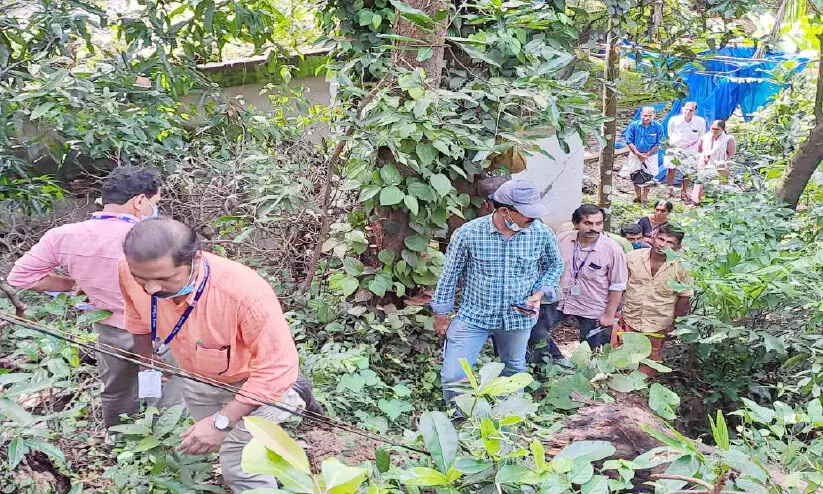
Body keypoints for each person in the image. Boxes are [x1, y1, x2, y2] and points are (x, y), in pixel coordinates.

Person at [118, 218, 312, 492]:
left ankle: (288, 398)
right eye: (142, 280)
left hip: (254, 384)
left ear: (195, 259)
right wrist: (147, 359)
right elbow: (137, 315)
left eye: (163, 279)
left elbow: (276, 368)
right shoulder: (129, 270)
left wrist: (222, 422)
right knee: (209, 437)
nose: (151, 289)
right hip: (198, 377)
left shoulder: (244, 295)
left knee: (241, 467)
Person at [6, 166, 182, 428]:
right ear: (140, 201)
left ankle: (120, 443)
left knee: (117, 391)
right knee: (167, 391)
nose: (155, 209)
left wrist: (72, 284)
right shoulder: (159, 238)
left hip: (108, 329)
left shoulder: (64, 236)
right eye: (155, 202)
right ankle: (164, 447)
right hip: (162, 328)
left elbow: (20, 278)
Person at [430, 180, 563, 406]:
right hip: (474, 316)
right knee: (454, 375)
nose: (532, 222)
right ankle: (461, 422)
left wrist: (541, 291)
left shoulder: (541, 234)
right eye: (528, 217)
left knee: (513, 369)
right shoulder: (469, 233)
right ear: (504, 211)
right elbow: (450, 274)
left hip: (519, 316)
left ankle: (504, 422)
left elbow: (554, 265)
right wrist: (441, 313)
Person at [612, 224, 693, 376]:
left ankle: (641, 387)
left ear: (678, 247)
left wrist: (675, 324)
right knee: (625, 353)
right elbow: (619, 287)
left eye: (670, 242)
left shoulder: (682, 266)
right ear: (653, 237)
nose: (663, 244)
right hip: (630, 316)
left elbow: (684, 297)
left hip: (659, 321)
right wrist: (614, 311)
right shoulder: (632, 258)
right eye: (660, 239)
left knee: (650, 359)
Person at [555, 204, 628, 349]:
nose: (593, 228)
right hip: (560, 299)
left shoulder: (613, 250)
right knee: (538, 333)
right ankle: (553, 359)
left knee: (593, 348)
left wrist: (609, 315)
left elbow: (618, 285)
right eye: (588, 223)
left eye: (598, 223)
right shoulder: (561, 240)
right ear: (576, 224)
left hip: (593, 305)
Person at [664, 102, 706, 200]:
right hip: (675, 147)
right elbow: (670, 133)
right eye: (686, 109)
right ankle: (669, 189)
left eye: (691, 110)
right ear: (683, 109)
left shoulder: (700, 121)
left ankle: (684, 190)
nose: (688, 112)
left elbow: (701, 135)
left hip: (691, 148)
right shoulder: (674, 120)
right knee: (670, 167)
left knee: (687, 170)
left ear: (695, 111)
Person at [625, 106, 664, 204]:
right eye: (645, 115)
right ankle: (637, 196)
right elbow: (629, 141)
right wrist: (638, 154)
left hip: (651, 155)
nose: (646, 118)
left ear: (654, 116)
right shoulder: (633, 125)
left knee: (649, 176)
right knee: (634, 174)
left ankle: (645, 196)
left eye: (649, 116)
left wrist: (647, 154)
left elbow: (659, 143)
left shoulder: (658, 127)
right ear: (641, 115)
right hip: (635, 154)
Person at [692, 120, 736, 204]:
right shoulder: (704, 137)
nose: (714, 131)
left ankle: (717, 202)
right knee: (703, 182)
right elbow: (699, 149)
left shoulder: (728, 139)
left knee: (720, 183)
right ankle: (700, 201)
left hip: (721, 165)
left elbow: (731, 153)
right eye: (713, 128)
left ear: (722, 129)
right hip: (705, 162)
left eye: (717, 129)